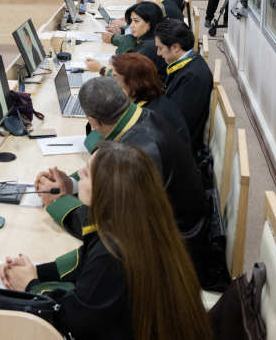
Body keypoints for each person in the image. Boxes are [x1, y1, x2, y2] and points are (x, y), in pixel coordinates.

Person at [4, 141, 212, 340]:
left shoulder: (113, 251)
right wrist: (35, 271)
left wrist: (31, 286)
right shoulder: (137, 218)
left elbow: (76, 321)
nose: (80, 174)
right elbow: (83, 261)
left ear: (108, 189)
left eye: (87, 172)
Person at [33, 78, 216, 290]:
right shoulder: (141, 118)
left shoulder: (139, 152)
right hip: (176, 231)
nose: (83, 170)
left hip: (175, 258)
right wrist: (72, 184)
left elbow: (110, 223)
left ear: (94, 122)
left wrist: (57, 201)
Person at [155, 20, 214, 152]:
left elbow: (176, 122)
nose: (158, 53)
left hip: (180, 149)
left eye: (160, 48)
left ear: (175, 47)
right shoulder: (190, 62)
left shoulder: (192, 77)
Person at [110, 53, 189, 141]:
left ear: (134, 83)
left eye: (116, 78)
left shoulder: (148, 116)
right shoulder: (148, 98)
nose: (111, 83)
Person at [87, 0, 167, 77]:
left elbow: (130, 77)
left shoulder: (150, 46)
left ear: (149, 24)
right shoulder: (145, 38)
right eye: (131, 21)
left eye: (136, 21)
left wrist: (101, 69)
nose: (131, 25)